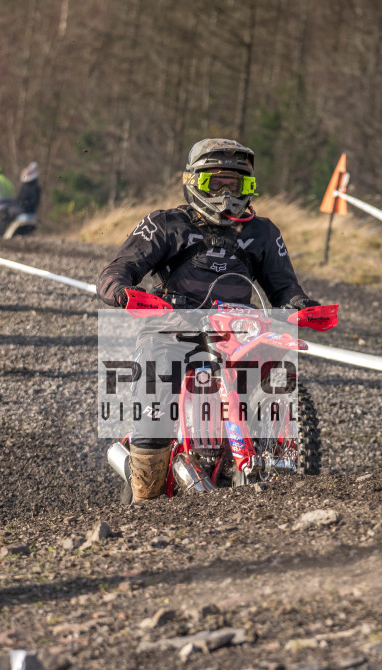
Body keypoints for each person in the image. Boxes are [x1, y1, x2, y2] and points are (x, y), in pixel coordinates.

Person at [95, 138, 319, 502]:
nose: (226, 193)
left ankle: (274, 457)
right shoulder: (166, 224)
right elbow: (115, 271)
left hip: (237, 330)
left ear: (249, 188)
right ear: (194, 182)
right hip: (171, 329)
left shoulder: (262, 233)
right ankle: (143, 502)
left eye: (236, 184)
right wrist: (122, 291)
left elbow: (284, 288)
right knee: (154, 413)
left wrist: (302, 305)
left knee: (275, 372)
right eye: (216, 183)